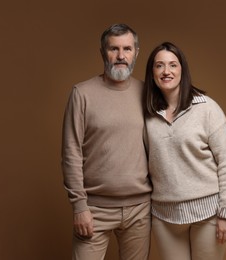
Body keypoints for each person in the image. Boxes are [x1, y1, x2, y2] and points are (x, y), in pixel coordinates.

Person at [61, 24, 152, 260]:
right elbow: (70, 152)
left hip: (140, 210)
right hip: (94, 209)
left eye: (127, 49)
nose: (121, 56)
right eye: (114, 49)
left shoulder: (148, 93)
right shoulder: (82, 94)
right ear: (103, 52)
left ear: (136, 52)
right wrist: (80, 207)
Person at [143, 42, 226, 260]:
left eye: (173, 65)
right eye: (159, 66)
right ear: (152, 73)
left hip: (208, 214)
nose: (166, 71)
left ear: (182, 70)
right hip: (164, 216)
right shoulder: (147, 113)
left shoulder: (207, 109)